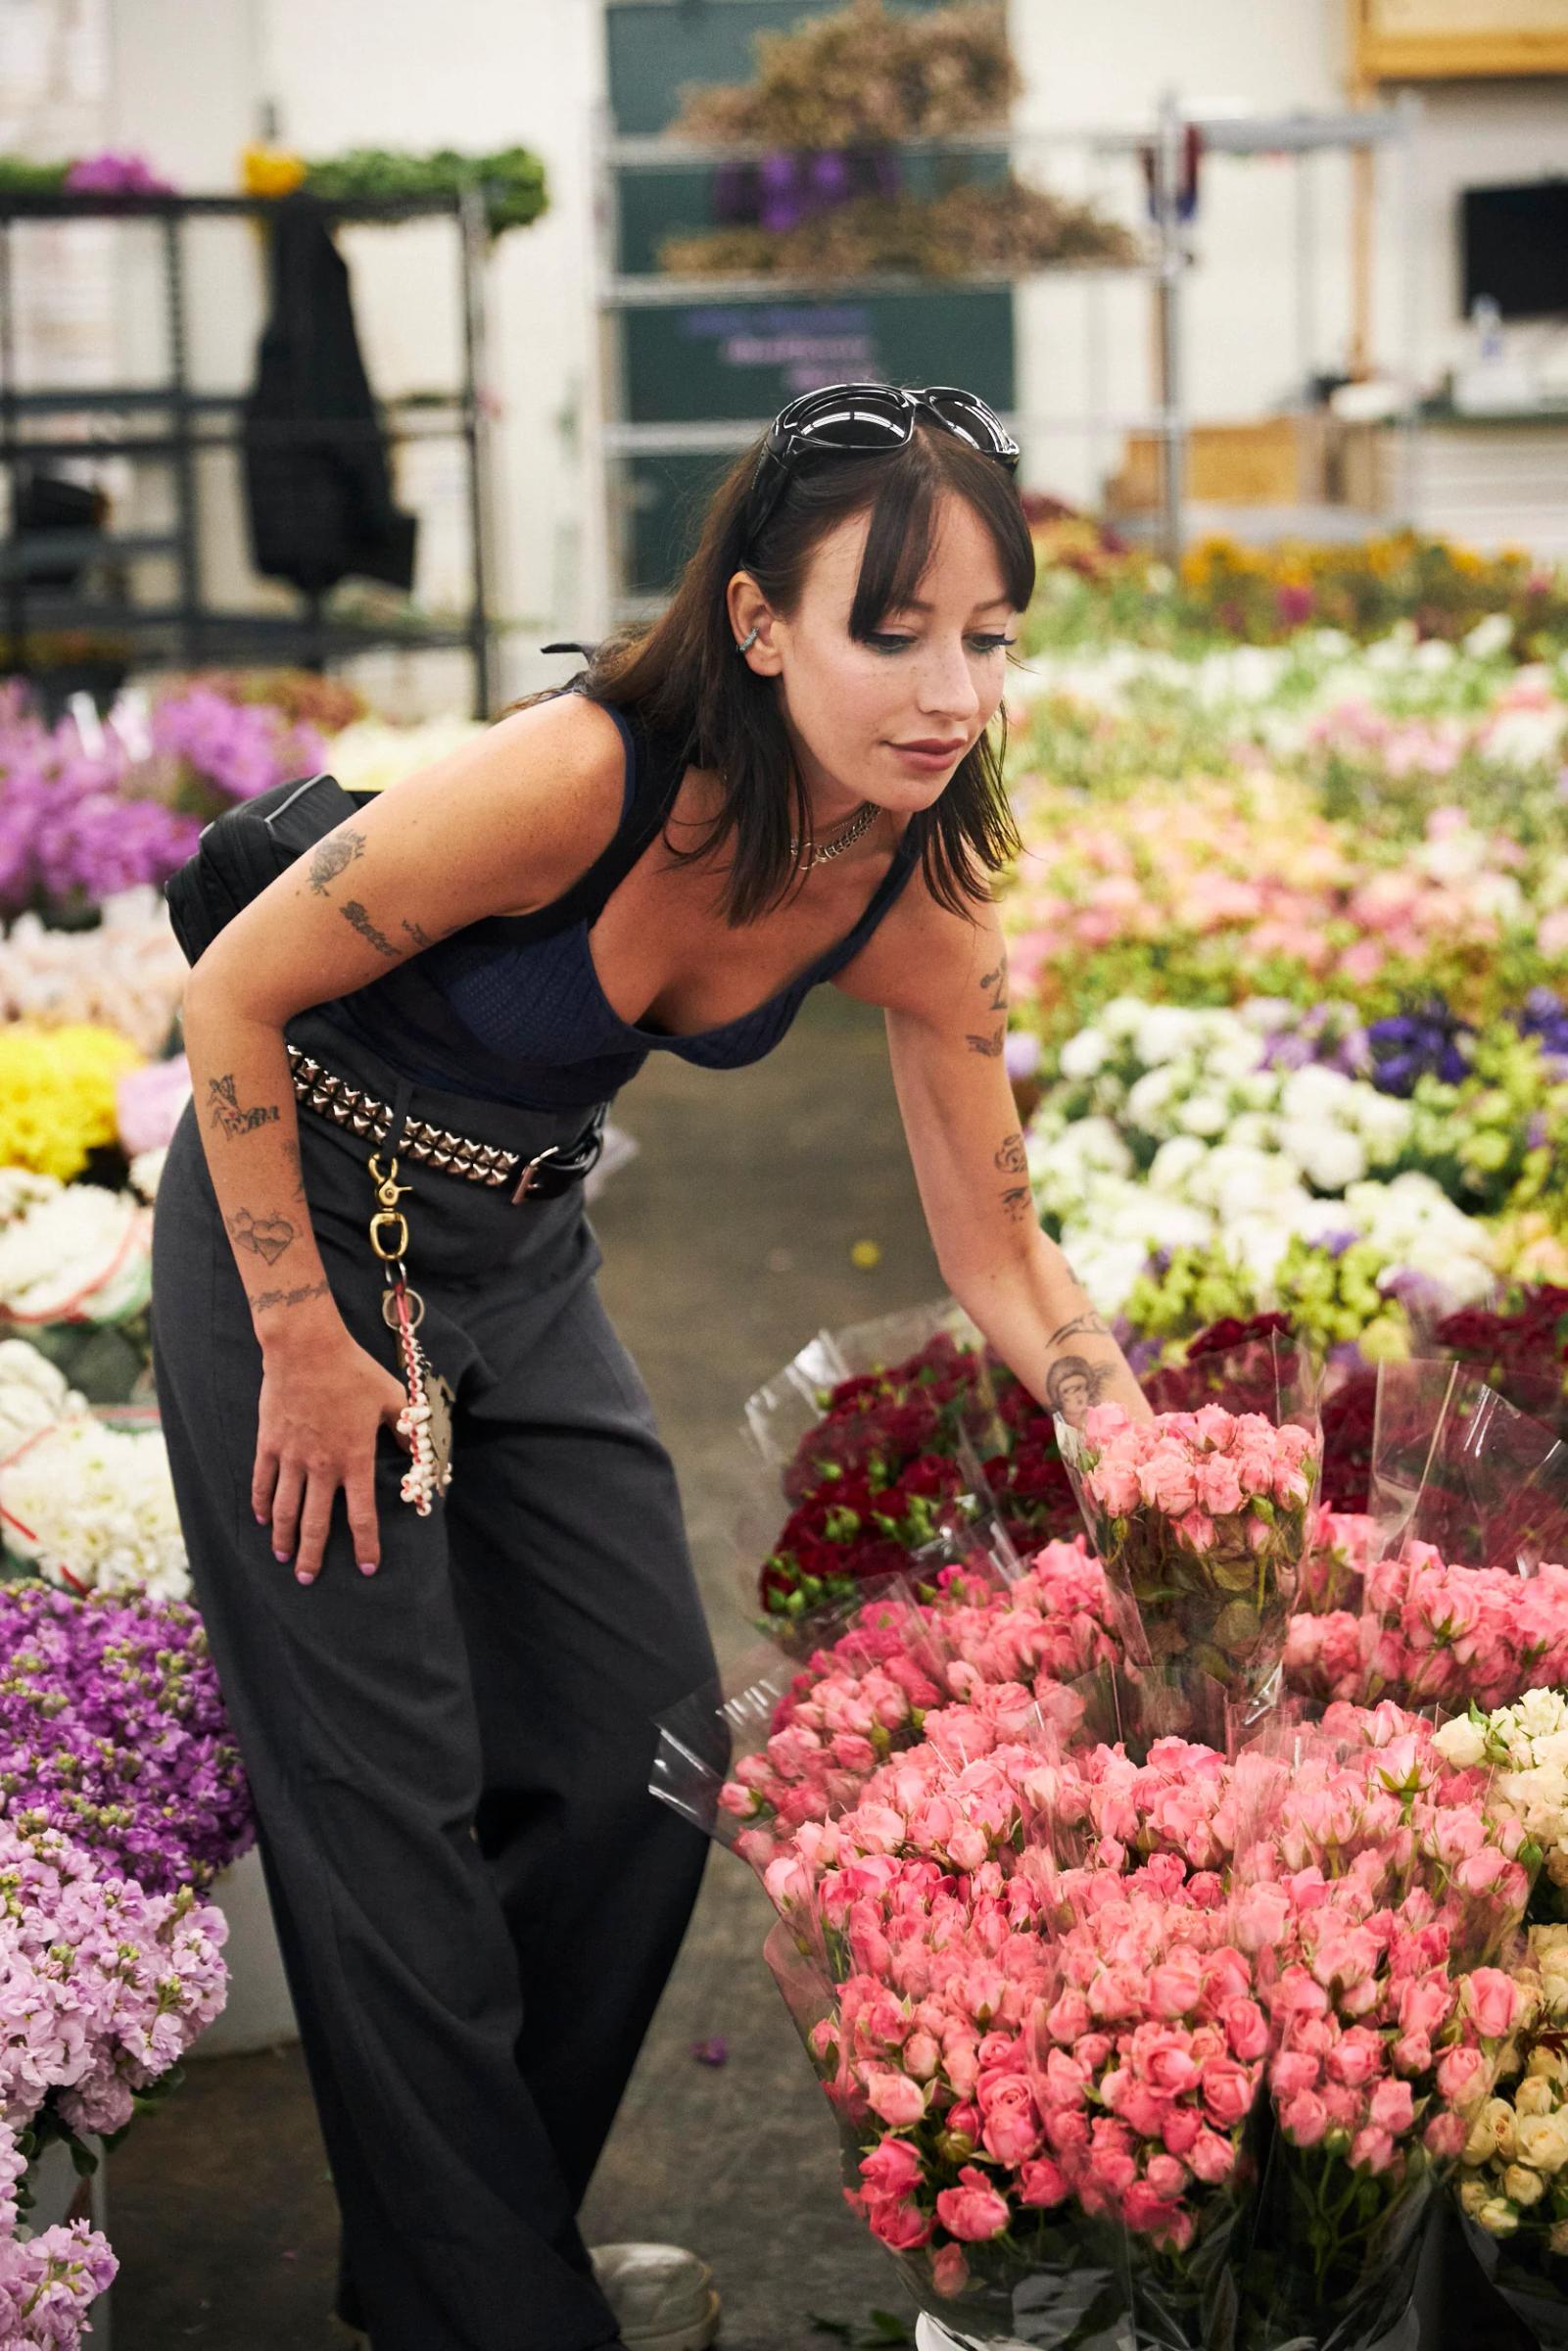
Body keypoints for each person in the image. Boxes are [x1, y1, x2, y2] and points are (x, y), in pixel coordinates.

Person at [149, 382, 1153, 2351]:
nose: (951, 689)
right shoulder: (582, 776)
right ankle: (498, 2310)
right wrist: (297, 1336)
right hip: (301, 1227)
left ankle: (465, 2243)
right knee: (385, 1803)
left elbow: (997, 1234)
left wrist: (1136, 1441)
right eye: (897, 629)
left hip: (517, 1248)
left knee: (643, 1756)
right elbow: (230, 991)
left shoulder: (911, 873)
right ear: (764, 622)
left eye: (989, 637)